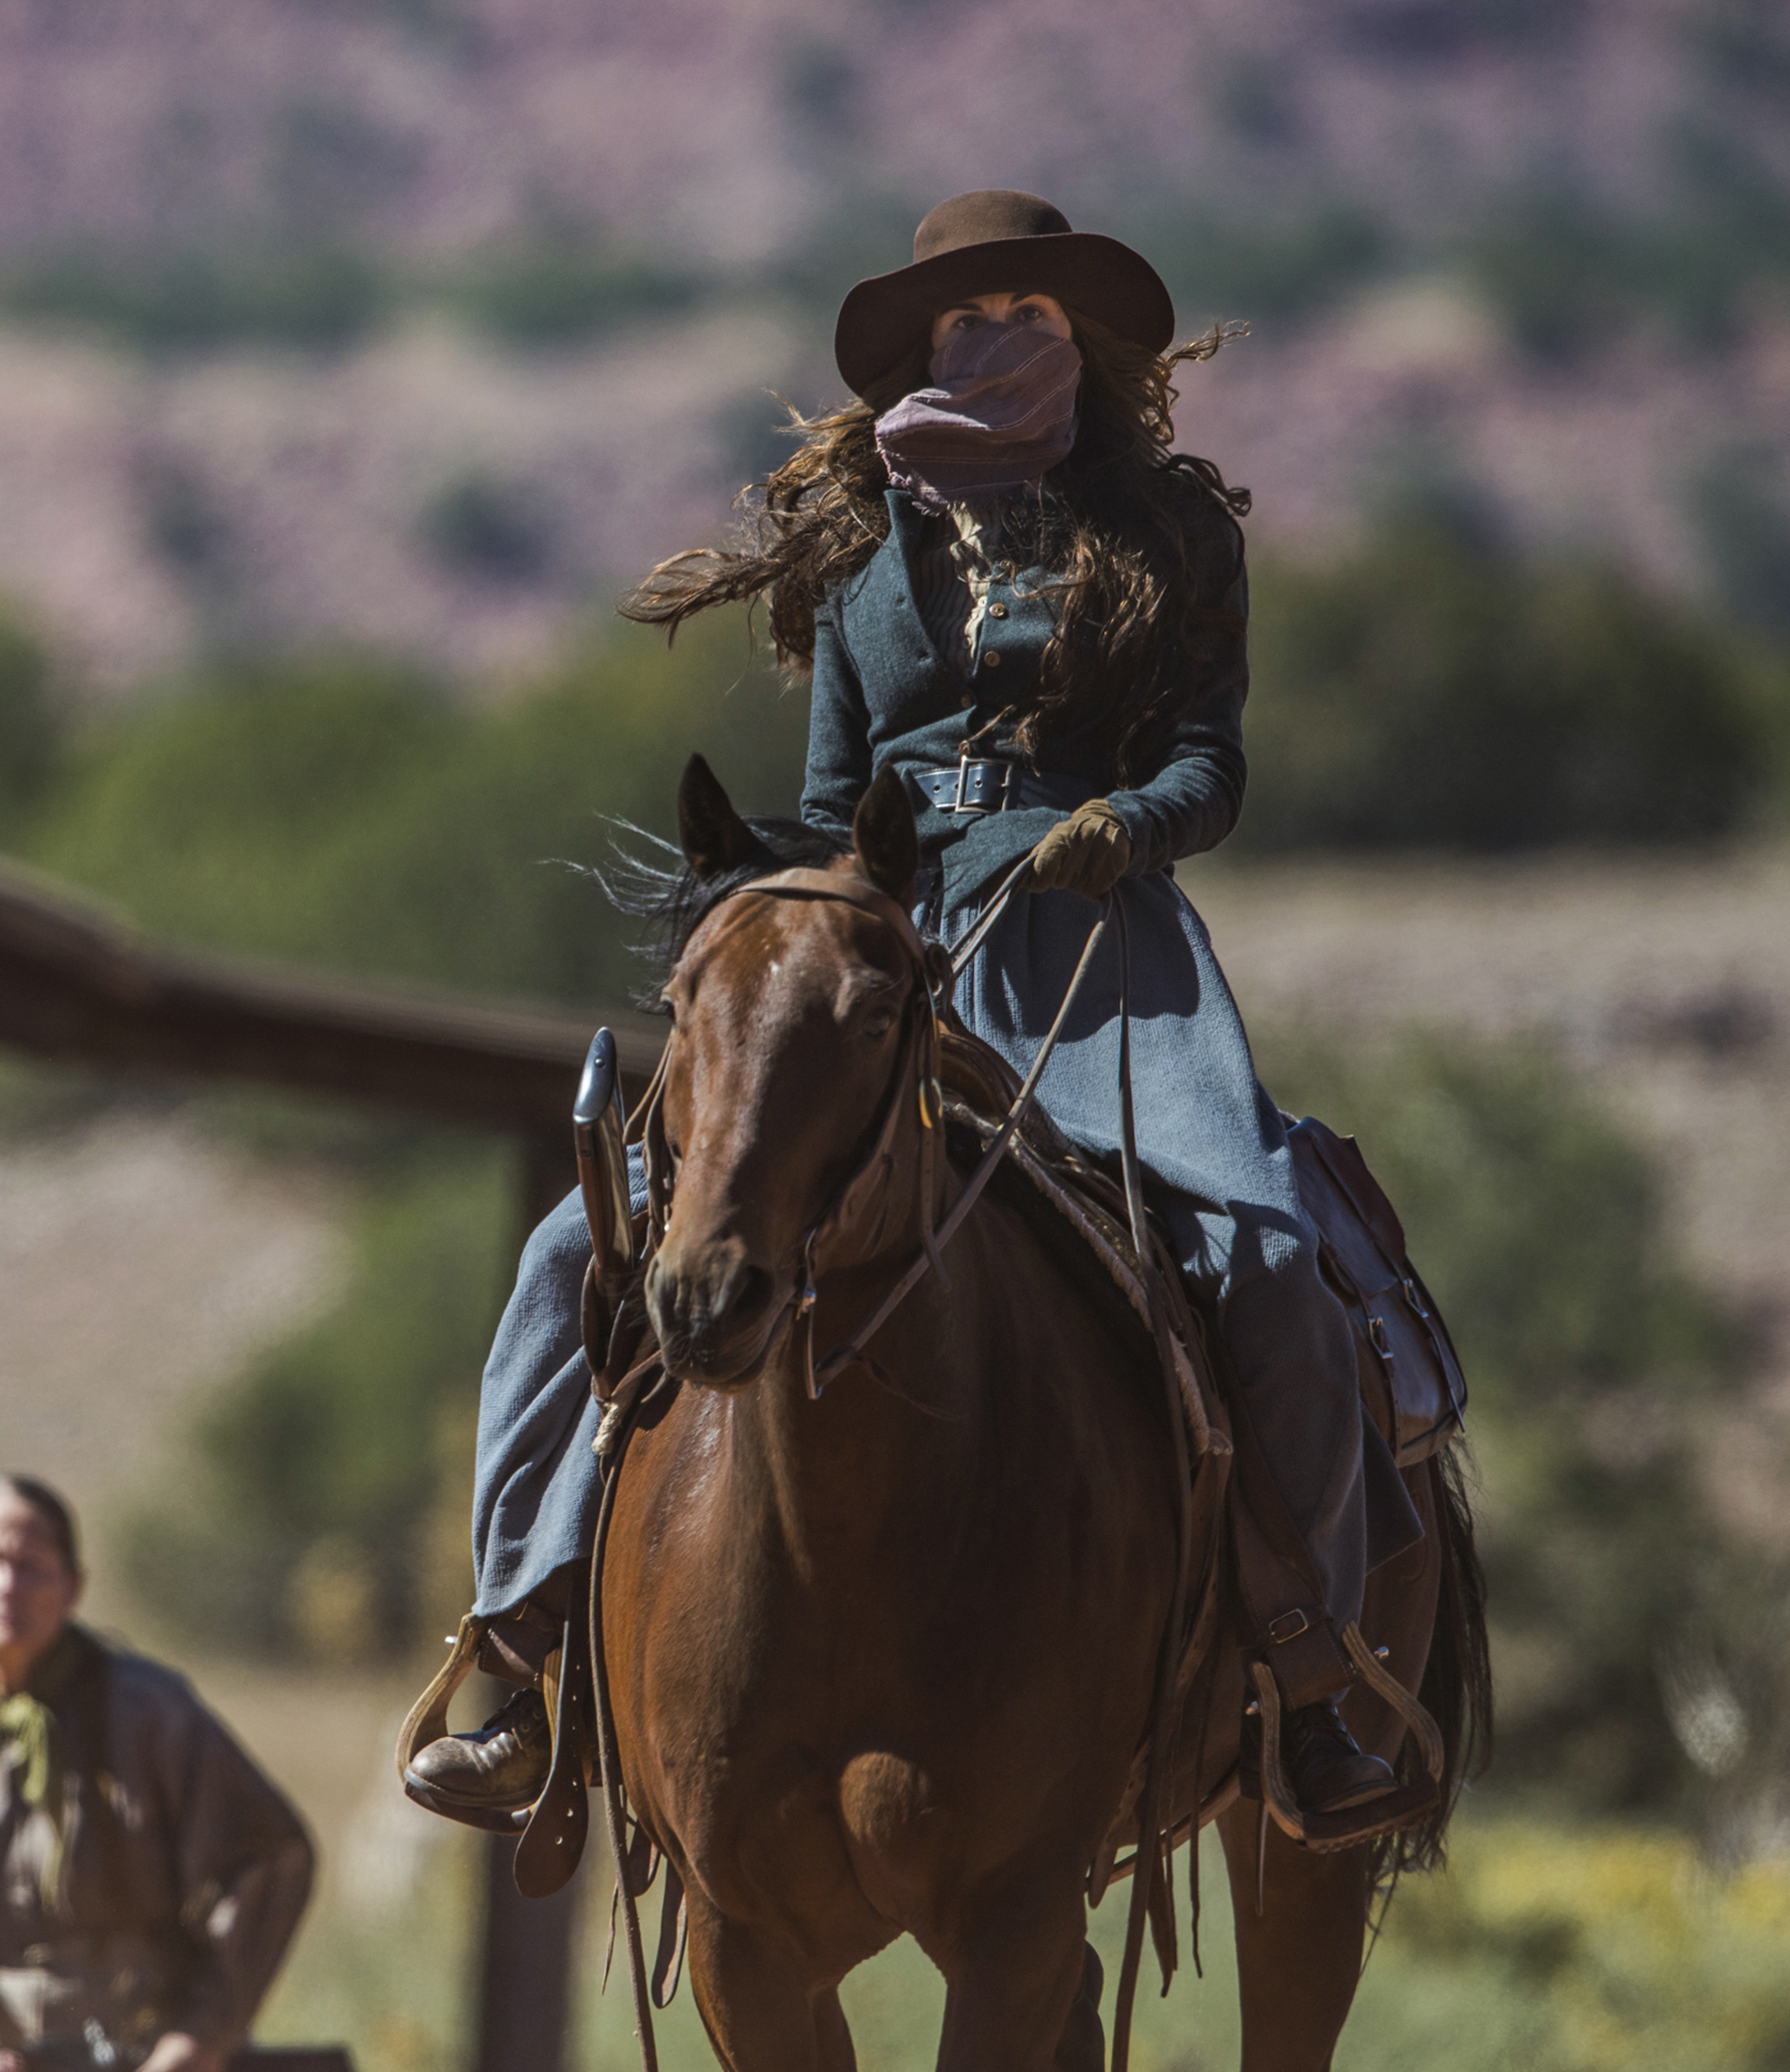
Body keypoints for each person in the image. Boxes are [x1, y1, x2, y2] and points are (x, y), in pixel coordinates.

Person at [410, 189, 1423, 1825]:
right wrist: (779, 907)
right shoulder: (866, 553)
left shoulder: (1171, 533)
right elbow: (830, 796)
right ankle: (525, 1648)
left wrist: (1131, 822)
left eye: (1026, 317)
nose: (995, 344)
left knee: (1265, 1254)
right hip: (881, 960)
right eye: (964, 322)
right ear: (926, 348)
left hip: (1102, 955)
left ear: (1079, 342)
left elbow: (1211, 762)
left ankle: (1311, 1676)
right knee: (570, 1252)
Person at [0, 1475, 316, 2072]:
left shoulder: (149, 1713)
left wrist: (198, 2039)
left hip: (144, 2045)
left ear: (73, 1584)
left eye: (30, 1564)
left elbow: (270, 1859)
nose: (4, 1585)